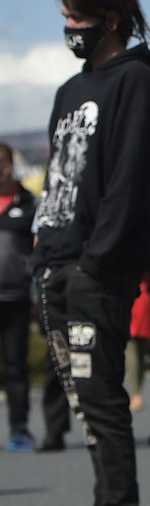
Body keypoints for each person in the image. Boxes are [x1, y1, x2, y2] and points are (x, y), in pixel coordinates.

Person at [32, 0, 150, 504]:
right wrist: (42, 252)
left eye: (76, 18)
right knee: (83, 407)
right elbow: (58, 176)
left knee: (105, 405)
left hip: (98, 273)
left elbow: (128, 182)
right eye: (64, 17)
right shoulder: (70, 90)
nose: (68, 29)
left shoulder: (135, 82)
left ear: (109, 19)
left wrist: (96, 263)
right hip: (56, 268)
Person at [0, 143, 37, 451]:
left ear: (10, 165)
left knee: (15, 366)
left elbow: (39, 251)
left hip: (17, 296)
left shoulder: (29, 202)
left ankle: (20, 429)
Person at [125, 274, 150, 413]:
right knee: (141, 350)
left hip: (131, 298)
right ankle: (137, 392)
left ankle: (136, 394)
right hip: (146, 298)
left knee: (131, 348)